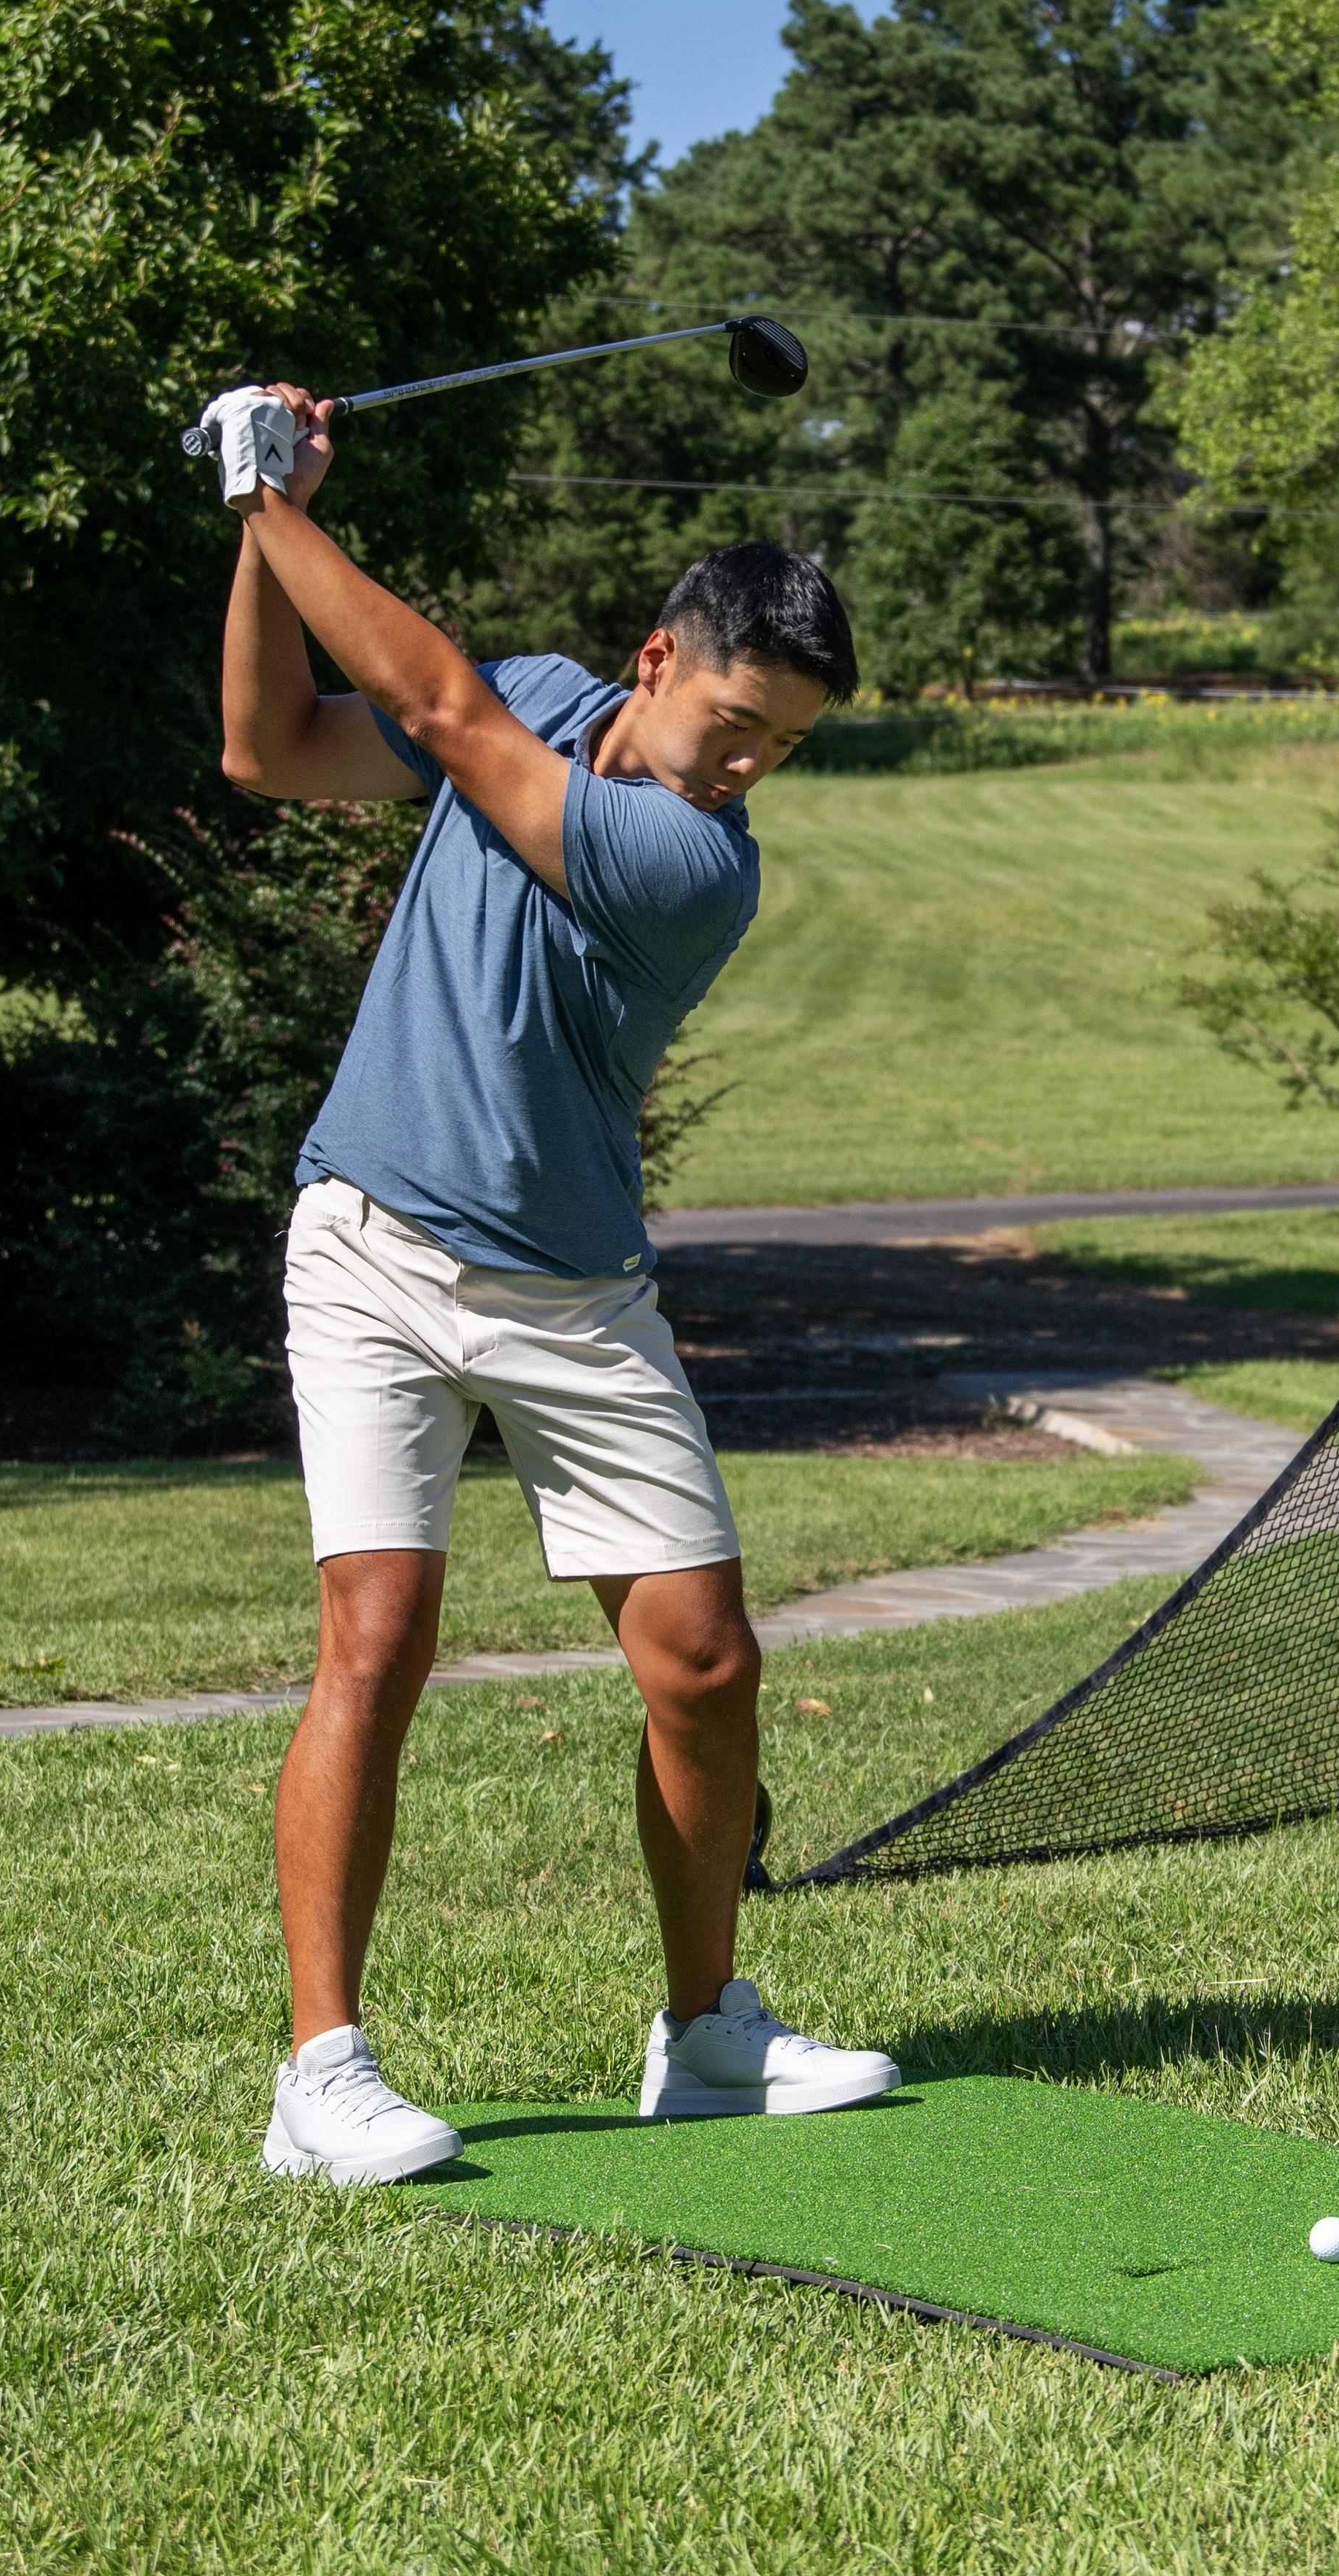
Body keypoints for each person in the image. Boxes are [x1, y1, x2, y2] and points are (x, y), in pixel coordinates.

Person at [210, 382, 903, 2185]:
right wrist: (252, 527)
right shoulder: (534, 695)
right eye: (739, 725)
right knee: (378, 1632)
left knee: (706, 1663)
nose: (752, 768)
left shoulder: (693, 867)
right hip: (367, 1244)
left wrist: (277, 498)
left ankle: (706, 2035)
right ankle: (321, 2074)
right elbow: (271, 748)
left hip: (573, 1293)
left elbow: (433, 704)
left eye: (785, 750)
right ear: (660, 657)